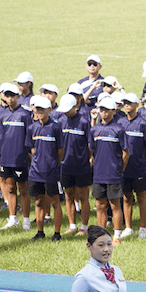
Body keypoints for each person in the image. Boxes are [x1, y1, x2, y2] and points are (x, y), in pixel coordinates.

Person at [89, 99, 129, 245]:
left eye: (107, 110)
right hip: (98, 174)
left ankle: (116, 235)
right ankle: (101, 235)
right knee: (99, 205)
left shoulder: (118, 129)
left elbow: (126, 153)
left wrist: (120, 168)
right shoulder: (94, 129)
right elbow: (91, 149)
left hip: (113, 174)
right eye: (101, 109)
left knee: (114, 204)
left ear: (113, 111)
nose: (103, 112)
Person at [26, 96, 63, 241]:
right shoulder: (32, 128)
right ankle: (40, 232)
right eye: (37, 109)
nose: (40, 112)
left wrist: (53, 163)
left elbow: (60, 150)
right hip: (35, 173)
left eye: (42, 109)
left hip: (51, 172)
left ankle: (57, 233)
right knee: (38, 202)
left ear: (49, 110)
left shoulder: (55, 127)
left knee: (54, 202)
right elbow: (32, 149)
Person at [0, 84, 32, 230]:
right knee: (10, 187)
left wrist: (27, 153)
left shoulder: (24, 114)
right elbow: (0, 136)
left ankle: (26, 220)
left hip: (20, 158)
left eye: (13, 96)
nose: (10, 99)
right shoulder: (3, 115)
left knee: (23, 189)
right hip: (6, 157)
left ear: (17, 96)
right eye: (8, 96)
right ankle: (12, 218)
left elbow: (29, 135)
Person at [57, 93, 92, 236]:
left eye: (68, 109)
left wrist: (87, 159)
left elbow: (90, 145)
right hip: (65, 166)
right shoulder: (60, 121)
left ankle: (84, 227)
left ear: (75, 107)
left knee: (83, 196)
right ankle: (72, 225)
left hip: (81, 165)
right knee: (68, 195)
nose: (65, 112)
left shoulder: (84, 122)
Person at [119, 93, 146, 239]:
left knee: (141, 197)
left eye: (129, 103)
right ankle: (128, 227)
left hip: (138, 167)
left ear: (137, 105)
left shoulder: (143, 123)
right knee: (126, 197)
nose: (127, 105)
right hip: (124, 168)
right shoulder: (120, 122)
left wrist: (143, 159)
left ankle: (143, 228)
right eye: (125, 103)